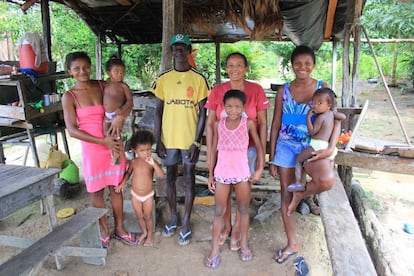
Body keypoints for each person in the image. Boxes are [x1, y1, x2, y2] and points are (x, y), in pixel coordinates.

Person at [268, 45, 342, 264]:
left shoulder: (322, 87)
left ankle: (303, 194)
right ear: (291, 65)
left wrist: (330, 148)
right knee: (285, 193)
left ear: (314, 65)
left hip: (313, 146)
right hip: (285, 146)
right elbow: (275, 124)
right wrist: (272, 157)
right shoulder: (284, 90)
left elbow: (336, 118)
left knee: (326, 181)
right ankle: (292, 243)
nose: (302, 67)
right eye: (298, 63)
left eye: (307, 63)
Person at [62, 51, 136, 248]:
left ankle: (119, 228)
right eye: (76, 68)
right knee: (96, 192)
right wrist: (102, 142)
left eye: (86, 66)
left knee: (116, 188)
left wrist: (121, 117)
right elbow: (72, 130)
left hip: (114, 141)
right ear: (69, 72)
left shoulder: (103, 85)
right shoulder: (69, 97)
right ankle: (103, 228)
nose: (82, 71)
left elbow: (127, 102)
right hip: (94, 148)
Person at [205, 52, 269, 251]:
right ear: (226, 68)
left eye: (239, 65)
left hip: (247, 151)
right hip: (224, 153)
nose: (235, 69)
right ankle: (227, 227)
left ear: (246, 68)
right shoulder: (217, 90)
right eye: (230, 65)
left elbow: (263, 124)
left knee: (243, 196)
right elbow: (211, 124)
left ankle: (237, 234)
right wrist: (209, 156)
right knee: (224, 193)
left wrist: (262, 161)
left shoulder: (256, 90)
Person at [152, 34, 210, 246]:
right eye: (175, 48)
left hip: (189, 140)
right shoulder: (163, 79)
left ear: (189, 51)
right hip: (169, 139)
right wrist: (158, 140)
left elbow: (204, 113)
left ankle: (186, 221)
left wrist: (196, 142)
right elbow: (158, 111)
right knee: (169, 178)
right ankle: (173, 217)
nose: (179, 52)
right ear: (171, 52)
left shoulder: (199, 79)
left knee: (189, 178)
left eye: (182, 48)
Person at [206, 90, 264, 268]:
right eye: (229, 106)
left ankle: (244, 244)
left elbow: (260, 147)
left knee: (243, 209)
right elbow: (214, 150)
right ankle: (214, 249)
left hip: (242, 173)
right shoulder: (218, 124)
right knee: (218, 211)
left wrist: (260, 168)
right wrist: (210, 174)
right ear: (223, 107)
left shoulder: (248, 124)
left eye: (237, 106)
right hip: (222, 173)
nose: (233, 110)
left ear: (243, 107)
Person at [287, 88, 346, 193]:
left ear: (329, 105)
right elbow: (343, 117)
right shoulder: (331, 114)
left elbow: (312, 132)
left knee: (299, 159)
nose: (315, 105)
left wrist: (308, 118)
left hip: (317, 145)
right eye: (313, 102)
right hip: (327, 146)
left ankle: (298, 182)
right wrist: (333, 112)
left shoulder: (320, 118)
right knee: (328, 164)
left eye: (319, 103)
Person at [115, 129, 165, 247]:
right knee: (139, 216)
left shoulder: (153, 162)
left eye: (148, 150)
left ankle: (151, 236)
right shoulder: (134, 162)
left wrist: (154, 164)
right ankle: (144, 232)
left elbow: (161, 175)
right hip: (135, 195)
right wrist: (122, 183)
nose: (146, 153)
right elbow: (128, 174)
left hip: (148, 195)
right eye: (142, 151)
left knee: (148, 216)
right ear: (135, 150)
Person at [103, 55, 133, 165]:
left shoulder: (123, 86)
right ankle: (113, 153)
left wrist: (122, 110)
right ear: (109, 73)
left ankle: (119, 155)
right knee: (107, 135)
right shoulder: (105, 84)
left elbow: (130, 101)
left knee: (117, 135)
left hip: (117, 116)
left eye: (122, 72)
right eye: (117, 72)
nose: (120, 74)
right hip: (106, 115)